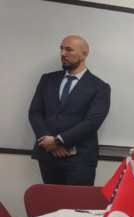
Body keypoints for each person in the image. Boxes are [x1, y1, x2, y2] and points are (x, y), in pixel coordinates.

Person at [28, 35, 111, 185]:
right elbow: (35, 113)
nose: (63, 54)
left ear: (84, 54)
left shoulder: (100, 87)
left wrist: (59, 141)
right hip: (48, 156)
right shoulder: (47, 79)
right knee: (50, 199)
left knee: (76, 200)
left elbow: (92, 122)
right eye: (61, 49)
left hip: (80, 159)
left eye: (69, 49)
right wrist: (48, 142)